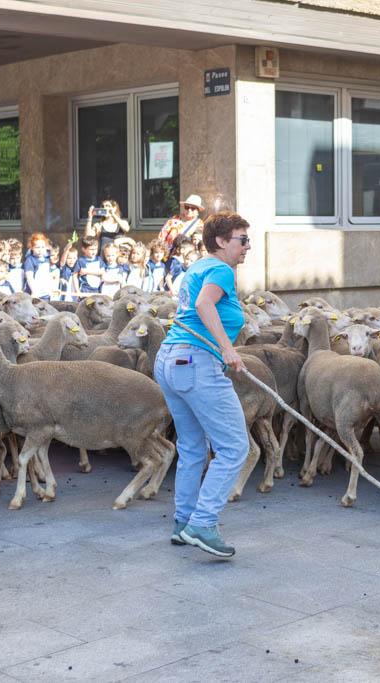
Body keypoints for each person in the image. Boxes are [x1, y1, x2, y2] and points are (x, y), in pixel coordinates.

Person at [155, 211, 251, 558]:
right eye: (242, 240)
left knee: (192, 446)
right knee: (234, 447)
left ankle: (183, 523)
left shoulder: (196, 267)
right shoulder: (222, 270)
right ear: (222, 241)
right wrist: (228, 348)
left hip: (170, 360)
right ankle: (202, 523)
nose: (247, 247)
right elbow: (203, 303)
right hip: (196, 362)